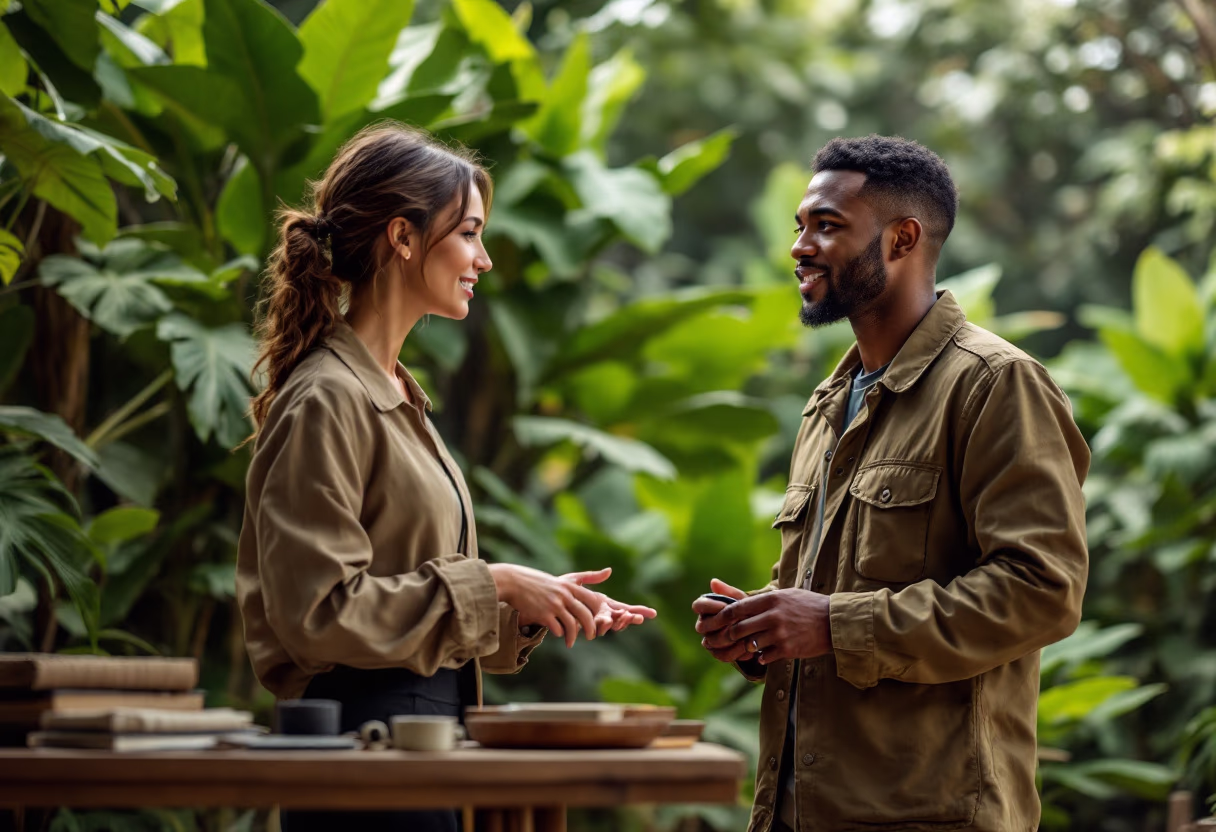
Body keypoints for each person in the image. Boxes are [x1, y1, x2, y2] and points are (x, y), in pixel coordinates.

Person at [235, 123, 656, 832]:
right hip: (361, 752)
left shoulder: (398, 397)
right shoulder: (328, 398)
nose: (483, 259)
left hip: (421, 743)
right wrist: (494, 582)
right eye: (468, 233)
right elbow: (320, 617)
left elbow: (404, 596)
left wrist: (528, 606)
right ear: (403, 238)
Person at [692, 135, 1089, 832]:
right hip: (800, 810)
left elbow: (1042, 591)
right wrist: (765, 628)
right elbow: (829, 603)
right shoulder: (827, 402)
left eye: (828, 225)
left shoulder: (994, 384)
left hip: (931, 812)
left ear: (903, 239)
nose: (800, 246)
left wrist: (831, 624)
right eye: (799, 226)